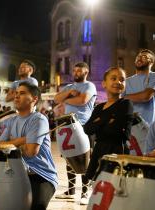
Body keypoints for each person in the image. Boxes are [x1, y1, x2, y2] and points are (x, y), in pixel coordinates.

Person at [0, 82, 57, 210]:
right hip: (19, 173)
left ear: (34, 99)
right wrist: (24, 139)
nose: (16, 96)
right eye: (16, 93)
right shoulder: (12, 120)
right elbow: (0, 146)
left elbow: (30, 151)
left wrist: (13, 143)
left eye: (22, 93)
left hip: (41, 175)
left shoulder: (39, 119)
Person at [53, 62, 97, 204]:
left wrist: (66, 98)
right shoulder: (69, 87)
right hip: (67, 126)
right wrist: (69, 94)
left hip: (83, 125)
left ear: (86, 72)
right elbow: (56, 99)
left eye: (80, 70)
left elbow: (83, 100)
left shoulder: (89, 86)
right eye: (74, 70)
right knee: (69, 158)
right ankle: (71, 191)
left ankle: (85, 192)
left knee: (85, 159)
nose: (76, 72)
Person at [84, 67, 133, 181]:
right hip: (99, 150)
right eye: (113, 78)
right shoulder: (99, 107)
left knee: (115, 189)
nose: (118, 82)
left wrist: (99, 121)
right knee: (98, 189)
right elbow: (87, 129)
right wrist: (108, 119)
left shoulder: (126, 104)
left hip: (117, 152)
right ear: (104, 84)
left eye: (122, 79)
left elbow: (118, 132)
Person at [124, 49, 155, 125]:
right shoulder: (126, 81)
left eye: (144, 57)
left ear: (151, 62)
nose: (140, 58)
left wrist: (123, 98)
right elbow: (120, 104)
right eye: (138, 56)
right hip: (129, 127)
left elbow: (146, 96)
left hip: (149, 126)